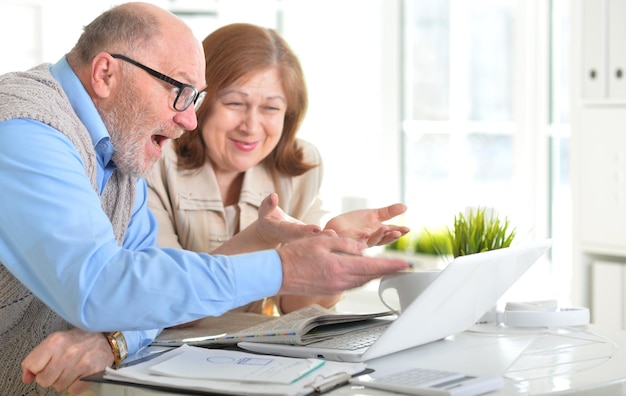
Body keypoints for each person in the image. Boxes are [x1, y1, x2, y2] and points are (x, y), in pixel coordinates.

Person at [0, 2, 409, 394]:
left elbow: (149, 291)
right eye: (179, 90)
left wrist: (117, 340)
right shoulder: (26, 128)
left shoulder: (122, 153)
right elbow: (102, 288)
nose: (188, 119)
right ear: (105, 74)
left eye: (194, 97)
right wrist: (283, 267)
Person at [146, 22, 407, 319]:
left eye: (271, 109)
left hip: (257, 355)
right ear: (198, 100)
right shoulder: (155, 159)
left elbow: (296, 307)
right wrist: (261, 236)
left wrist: (338, 248)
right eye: (234, 103)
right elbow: (163, 301)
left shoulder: (301, 166)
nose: (251, 127)